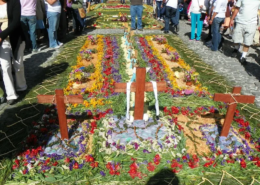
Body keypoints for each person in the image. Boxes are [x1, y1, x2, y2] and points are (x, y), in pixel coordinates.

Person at [0, 0, 27, 105]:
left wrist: (1, 36)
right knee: (5, 66)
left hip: (15, 38)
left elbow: (15, 22)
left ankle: (21, 86)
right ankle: (11, 95)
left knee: (18, 65)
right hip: (3, 42)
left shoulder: (14, 2)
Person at [230, 0, 260, 64]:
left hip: (252, 23)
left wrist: (259, 24)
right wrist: (232, 19)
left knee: (248, 41)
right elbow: (237, 8)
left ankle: (243, 56)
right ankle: (236, 49)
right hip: (240, 21)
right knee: (236, 38)